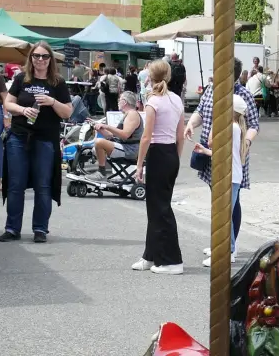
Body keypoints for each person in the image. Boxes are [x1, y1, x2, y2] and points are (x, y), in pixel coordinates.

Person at [188, 60, 260, 266]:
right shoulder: (211, 89)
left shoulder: (242, 95)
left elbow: (254, 124)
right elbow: (200, 111)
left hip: (231, 156)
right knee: (217, 200)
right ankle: (221, 242)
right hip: (212, 153)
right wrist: (190, 124)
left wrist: (245, 143)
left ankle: (230, 246)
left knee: (230, 204)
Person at [1, 44, 72, 243]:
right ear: (31, 57)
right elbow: (8, 103)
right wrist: (23, 110)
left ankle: (40, 229)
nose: (40, 59)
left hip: (45, 139)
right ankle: (12, 228)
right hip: (19, 136)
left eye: (45, 56)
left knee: (43, 185)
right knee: (16, 184)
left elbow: (68, 112)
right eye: (36, 56)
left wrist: (52, 102)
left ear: (50, 59)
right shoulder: (21, 79)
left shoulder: (57, 82)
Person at [134, 59, 186, 274]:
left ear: (150, 77)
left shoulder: (153, 102)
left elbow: (146, 137)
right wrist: (176, 158)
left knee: (160, 209)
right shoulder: (176, 100)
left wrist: (139, 164)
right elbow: (180, 136)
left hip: (157, 152)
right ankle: (151, 255)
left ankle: (172, 260)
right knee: (156, 206)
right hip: (171, 153)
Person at [92, 91, 142, 173]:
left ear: (124, 102)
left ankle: (101, 173)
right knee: (97, 145)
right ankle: (101, 171)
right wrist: (101, 129)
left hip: (130, 150)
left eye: (119, 100)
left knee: (99, 143)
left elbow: (125, 135)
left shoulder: (132, 114)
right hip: (125, 147)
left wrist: (107, 126)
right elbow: (111, 136)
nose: (118, 102)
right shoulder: (128, 114)